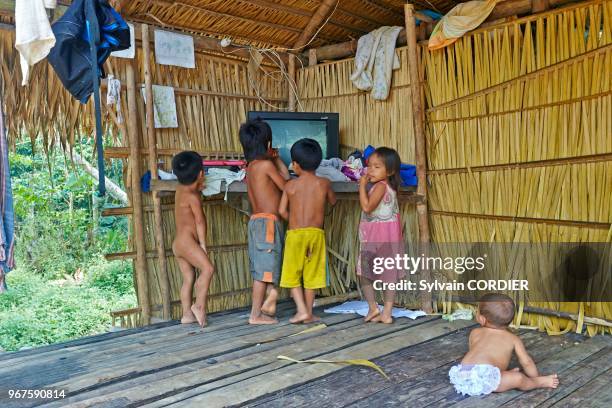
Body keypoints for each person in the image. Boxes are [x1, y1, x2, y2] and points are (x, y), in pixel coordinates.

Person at [449, 293, 559, 396]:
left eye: (477, 311)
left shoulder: (475, 332)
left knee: (497, 371)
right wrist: (534, 378)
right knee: (518, 378)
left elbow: (477, 353)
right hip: (486, 376)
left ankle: (502, 375)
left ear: (482, 319)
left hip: (462, 376)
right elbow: (527, 362)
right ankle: (538, 382)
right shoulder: (513, 338)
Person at [279, 138, 336, 324]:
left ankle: (301, 310)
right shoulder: (324, 183)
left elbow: (281, 211)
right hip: (316, 234)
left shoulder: (290, 186)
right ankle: (308, 313)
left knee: (292, 274)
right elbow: (333, 202)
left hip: (295, 234)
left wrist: (294, 221)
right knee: (312, 274)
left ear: (295, 165)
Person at [239, 119, 290, 325]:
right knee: (264, 273)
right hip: (268, 224)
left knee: (267, 268)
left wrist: (275, 160)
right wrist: (277, 161)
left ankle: (267, 308)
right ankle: (255, 314)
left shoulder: (252, 166)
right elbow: (286, 185)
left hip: (257, 222)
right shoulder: (267, 165)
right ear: (268, 145)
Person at [357, 147, 404, 324]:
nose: (370, 171)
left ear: (390, 171)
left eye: (377, 167)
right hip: (390, 238)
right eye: (369, 166)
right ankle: (387, 313)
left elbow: (367, 207)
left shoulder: (380, 187)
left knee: (365, 273)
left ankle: (373, 308)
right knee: (389, 274)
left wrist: (362, 186)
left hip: (375, 237)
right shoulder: (390, 187)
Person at [171, 151, 214, 327]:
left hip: (178, 244)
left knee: (188, 278)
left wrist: (197, 186)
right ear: (201, 174)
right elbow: (199, 221)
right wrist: (203, 245)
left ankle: (187, 315)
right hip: (188, 243)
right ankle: (199, 306)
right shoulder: (194, 197)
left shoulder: (180, 190)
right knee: (208, 269)